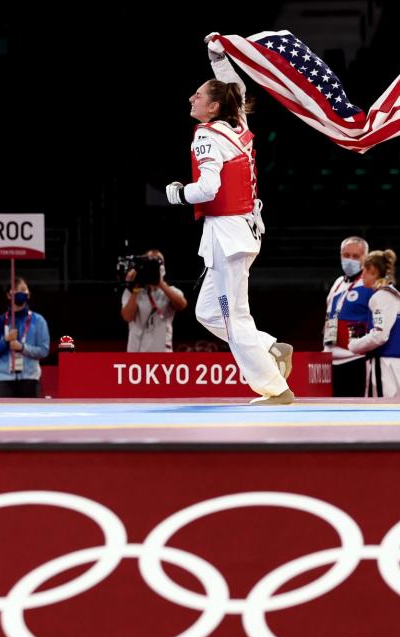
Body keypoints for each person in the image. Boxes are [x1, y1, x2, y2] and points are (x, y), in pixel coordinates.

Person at [164, 32, 293, 405]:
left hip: (228, 235)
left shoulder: (206, 136)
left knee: (234, 318)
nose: (192, 98)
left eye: (199, 95)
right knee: (209, 312)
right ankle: (271, 346)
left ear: (214, 106)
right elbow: (235, 88)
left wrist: (176, 193)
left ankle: (274, 387)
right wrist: (216, 55)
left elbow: (207, 189)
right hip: (242, 232)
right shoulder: (238, 127)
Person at [348, 249, 400, 397]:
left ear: (374, 272)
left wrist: (354, 345)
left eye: (365, 271)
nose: (362, 275)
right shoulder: (393, 294)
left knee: (380, 413)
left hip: (386, 368)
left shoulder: (382, 297)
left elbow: (380, 336)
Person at [0, 277, 50, 397]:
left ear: (28, 294)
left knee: (29, 415)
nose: (21, 292)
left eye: (24, 289)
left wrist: (22, 348)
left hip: (30, 377)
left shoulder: (39, 321)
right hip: (4, 377)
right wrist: (5, 341)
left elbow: (44, 350)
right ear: (9, 295)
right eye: (16, 290)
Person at [323, 236, 371, 396]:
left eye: (356, 256)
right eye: (346, 255)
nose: (350, 260)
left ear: (366, 258)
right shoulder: (337, 283)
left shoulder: (372, 284)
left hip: (355, 360)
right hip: (329, 360)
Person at [121, 249, 188, 352]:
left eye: (157, 262)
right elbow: (127, 317)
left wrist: (160, 283)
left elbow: (182, 305)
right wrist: (135, 286)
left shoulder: (171, 291)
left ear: (163, 268)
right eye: (149, 262)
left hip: (162, 353)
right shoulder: (132, 292)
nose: (152, 267)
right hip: (136, 352)